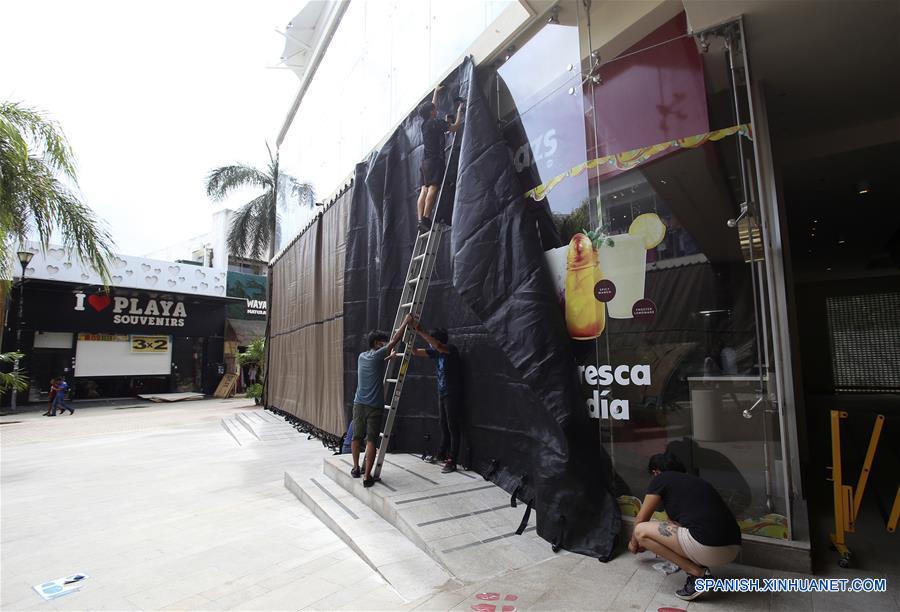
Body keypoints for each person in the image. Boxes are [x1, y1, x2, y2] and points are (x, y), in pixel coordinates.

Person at [628, 453, 741, 601]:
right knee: (672, 528)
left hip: (708, 547)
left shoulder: (662, 479)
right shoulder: (695, 483)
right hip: (732, 549)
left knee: (640, 531)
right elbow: (674, 526)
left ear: (655, 472)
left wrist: (634, 543)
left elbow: (641, 519)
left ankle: (698, 575)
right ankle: (699, 571)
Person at [351, 314, 413, 487]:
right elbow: (395, 339)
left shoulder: (362, 357)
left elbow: (377, 360)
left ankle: (356, 468)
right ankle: (367, 477)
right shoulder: (378, 355)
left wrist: (388, 357)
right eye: (382, 342)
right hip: (374, 406)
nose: (385, 344)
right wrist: (406, 321)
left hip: (358, 404)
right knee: (371, 440)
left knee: (357, 437)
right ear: (376, 343)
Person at [409, 318, 463, 474]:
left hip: (452, 393)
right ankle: (442, 453)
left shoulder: (450, 350)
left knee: (453, 426)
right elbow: (415, 352)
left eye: (431, 341)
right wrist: (407, 335)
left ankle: (452, 460)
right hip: (442, 393)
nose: (429, 345)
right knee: (443, 424)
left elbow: (438, 346)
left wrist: (420, 330)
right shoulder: (436, 353)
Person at [416, 85, 464, 233]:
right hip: (435, 161)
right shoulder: (435, 123)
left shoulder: (425, 124)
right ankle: (426, 218)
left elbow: (432, 106)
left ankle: (420, 220)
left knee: (424, 189)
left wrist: (436, 93)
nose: (436, 110)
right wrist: (459, 112)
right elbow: (455, 127)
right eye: (434, 110)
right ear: (431, 112)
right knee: (433, 188)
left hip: (425, 163)